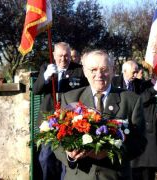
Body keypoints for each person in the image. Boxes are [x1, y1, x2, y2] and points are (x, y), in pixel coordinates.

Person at [54, 50, 146, 180]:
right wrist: (69, 155)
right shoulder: (70, 98)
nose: (99, 75)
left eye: (104, 69)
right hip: (79, 176)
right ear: (85, 72)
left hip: (115, 176)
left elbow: (140, 142)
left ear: (113, 70)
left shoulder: (131, 100)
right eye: (93, 70)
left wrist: (110, 152)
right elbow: (57, 140)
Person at [33, 42, 88, 180]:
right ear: (53, 55)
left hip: (70, 121)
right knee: (46, 158)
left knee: (66, 159)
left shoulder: (80, 70)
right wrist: (45, 77)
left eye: (67, 56)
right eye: (60, 56)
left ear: (71, 55)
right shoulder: (46, 67)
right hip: (49, 121)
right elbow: (36, 90)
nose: (63, 59)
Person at [131, 75, 157, 180]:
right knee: (147, 171)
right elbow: (138, 100)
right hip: (150, 133)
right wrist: (153, 89)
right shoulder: (142, 85)